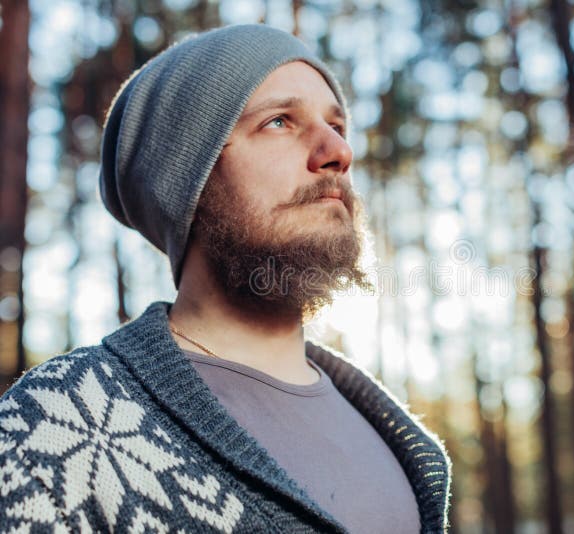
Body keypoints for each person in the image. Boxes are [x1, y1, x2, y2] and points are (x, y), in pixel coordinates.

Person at [0, 24, 451, 533]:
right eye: (280, 121)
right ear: (187, 179)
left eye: (338, 126)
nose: (337, 153)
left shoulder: (403, 444)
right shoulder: (59, 423)